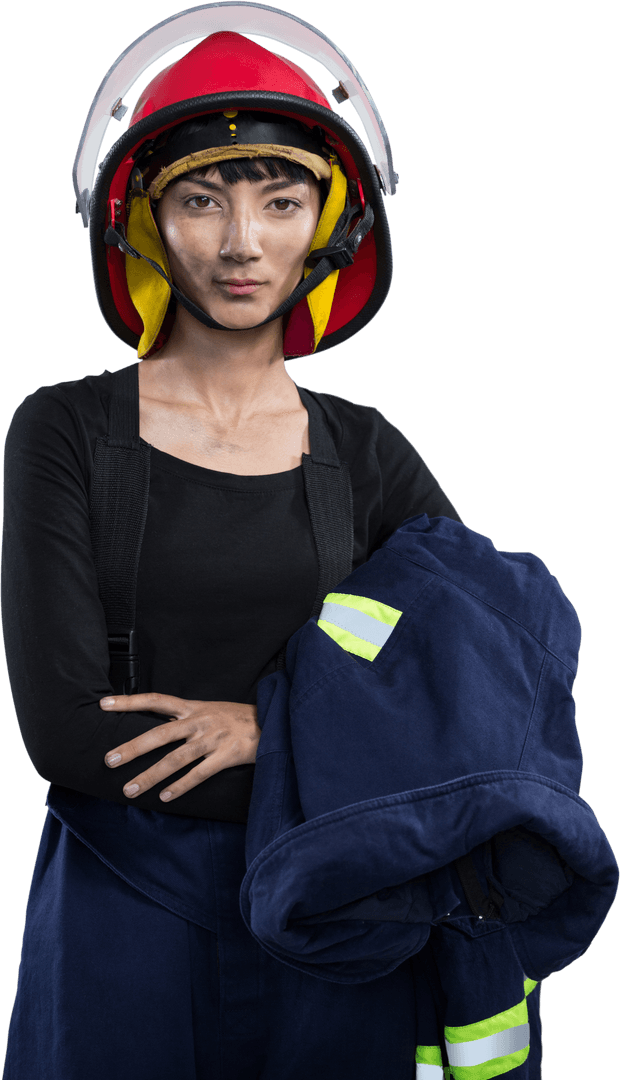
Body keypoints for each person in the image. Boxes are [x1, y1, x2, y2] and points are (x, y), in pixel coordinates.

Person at [1, 9, 465, 1080]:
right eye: (201, 199)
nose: (241, 241)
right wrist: (352, 753)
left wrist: (270, 733)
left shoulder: (366, 453)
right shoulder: (64, 432)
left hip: (336, 935)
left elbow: (481, 679)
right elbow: (72, 739)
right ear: (143, 222)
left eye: (280, 200)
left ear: (331, 225)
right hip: (124, 940)